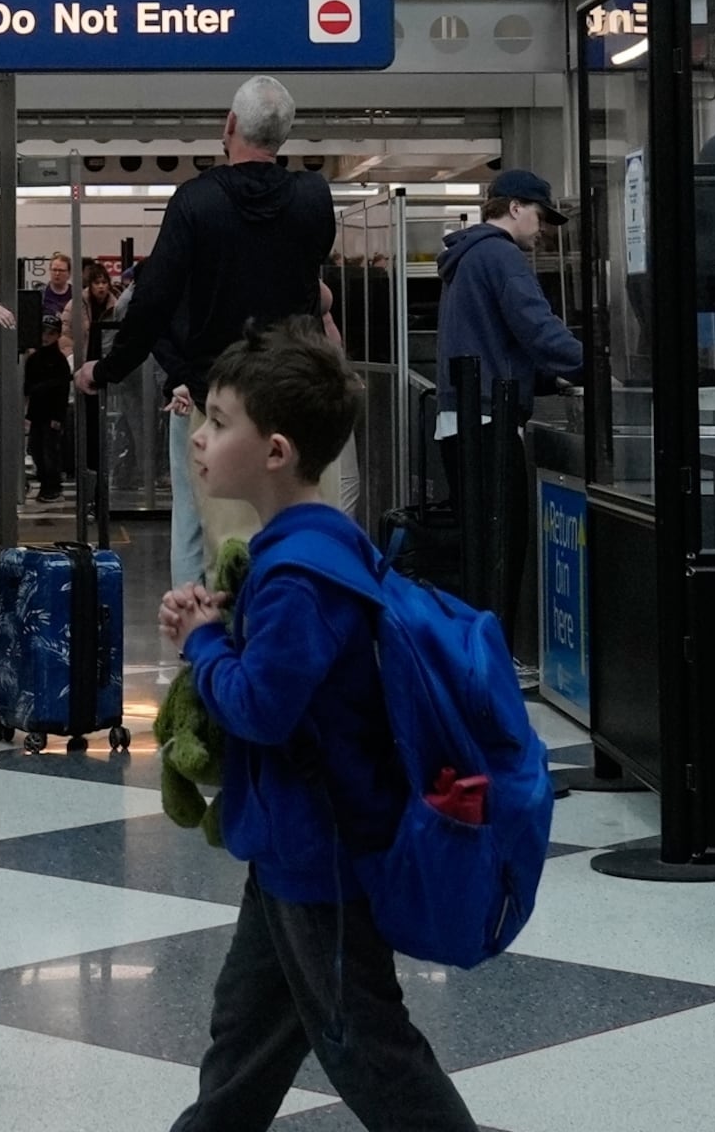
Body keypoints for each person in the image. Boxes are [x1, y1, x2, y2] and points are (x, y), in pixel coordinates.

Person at [160, 322, 470, 1132]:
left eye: (221, 422)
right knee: (249, 1027)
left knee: (365, 1043)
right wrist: (224, 628)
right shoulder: (316, 543)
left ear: (276, 451)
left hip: (318, 843)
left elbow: (264, 706)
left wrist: (201, 646)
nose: (200, 436)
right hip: (297, 838)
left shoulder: (298, 573)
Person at [84, 77, 337, 591]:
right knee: (306, 541)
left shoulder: (196, 202)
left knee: (228, 548)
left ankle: (228, 660)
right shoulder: (314, 198)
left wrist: (105, 371)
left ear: (229, 125)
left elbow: (153, 299)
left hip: (224, 396)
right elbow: (310, 284)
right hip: (298, 391)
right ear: (283, 136)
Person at [430, 169, 585, 620]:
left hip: (459, 418)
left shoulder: (466, 259)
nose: (542, 230)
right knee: (504, 548)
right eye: (539, 215)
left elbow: (493, 339)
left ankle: (480, 652)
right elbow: (537, 329)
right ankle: (496, 656)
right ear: (515, 208)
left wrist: (545, 380)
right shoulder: (501, 257)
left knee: (480, 550)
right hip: (487, 423)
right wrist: (592, 365)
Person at [23, 306, 73, 505]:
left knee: (49, 451)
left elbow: (61, 392)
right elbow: (27, 387)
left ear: (58, 335)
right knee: (36, 449)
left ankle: (52, 486)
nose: (46, 337)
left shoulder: (58, 361)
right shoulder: (34, 359)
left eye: (51, 333)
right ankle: (46, 484)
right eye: (43, 332)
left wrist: (58, 418)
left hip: (51, 414)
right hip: (37, 413)